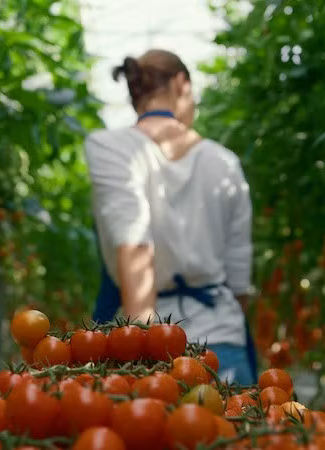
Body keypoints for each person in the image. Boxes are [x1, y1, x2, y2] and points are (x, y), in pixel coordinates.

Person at [83, 49, 257, 385]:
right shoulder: (225, 164)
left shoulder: (110, 148)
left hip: (146, 335)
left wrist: (142, 357)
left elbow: (133, 246)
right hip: (221, 342)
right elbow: (238, 283)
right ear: (181, 84)